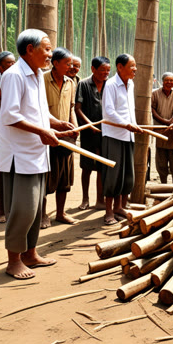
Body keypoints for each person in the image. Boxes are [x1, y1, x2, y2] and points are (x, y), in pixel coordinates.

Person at [0, 29, 74, 279]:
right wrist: (43, 131)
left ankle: (30, 254)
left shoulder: (36, 75)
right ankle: (13, 261)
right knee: (23, 209)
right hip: (20, 156)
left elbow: (39, 112)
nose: (50, 54)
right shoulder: (13, 76)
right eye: (47, 48)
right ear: (30, 50)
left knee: (36, 209)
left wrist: (55, 123)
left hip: (38, 152)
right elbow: (10, 115)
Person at [101, 54, 143, 225]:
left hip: (128, 134)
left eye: (135, 65)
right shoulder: (110, 85)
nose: (135, 69)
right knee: (113, 174)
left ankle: (120, 207)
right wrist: (126, 124)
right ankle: (109, 211)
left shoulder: (131, 84)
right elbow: (109, 111)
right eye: (131, 66)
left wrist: (132, 125)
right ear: (120, 67)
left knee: (127, 174)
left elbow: (129, 109)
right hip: (113, 135)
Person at [41, 47, 79, 228]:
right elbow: (40, 111)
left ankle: (61, 213)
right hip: (47, 136)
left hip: (66, 137)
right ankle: (42, 215)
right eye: (67, 63)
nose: (71, 67)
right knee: (47, 178)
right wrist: (57, 126)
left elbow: (71, 108)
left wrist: (74, 126)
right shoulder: (42, 80)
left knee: (65, 178)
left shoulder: (71, 83)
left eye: (71, 63)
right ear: (55, 63)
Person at [75, 56, 110, 210]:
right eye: (103, 70)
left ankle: (100, 199)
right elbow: (77, 108)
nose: (106, 73)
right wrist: (88, 124)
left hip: (106, 132)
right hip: (88, 132)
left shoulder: (110, 85)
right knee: (87, 166)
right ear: (93, 69)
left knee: (102, 166)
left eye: (108, 70)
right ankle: (85, 199)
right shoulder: (83, 84)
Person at [0, 51, 16, 223]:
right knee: (3, 170)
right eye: (8, 63)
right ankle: (1, 210)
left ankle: (8, 210)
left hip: (12, 132)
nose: (12, 65)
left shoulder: (16, 80)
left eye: (13, 62)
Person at [152, 72, 173, 183]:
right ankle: (163, 184)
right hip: (159, 130)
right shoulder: (155, 94)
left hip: (172, 131)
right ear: (162, 81)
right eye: (167, 80)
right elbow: (153, 111)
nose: (169, 83)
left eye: (171, 81)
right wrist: (166, 122)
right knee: (161, 160)